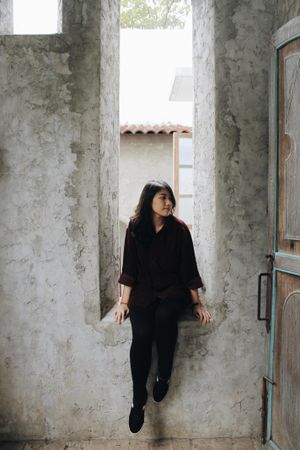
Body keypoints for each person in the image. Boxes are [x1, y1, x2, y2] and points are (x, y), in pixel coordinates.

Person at [114, 180, 212, 433]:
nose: (169, 203)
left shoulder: (179, 230)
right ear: (149, 201)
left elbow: (188, 268)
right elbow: (130, 269)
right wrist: (124, 302)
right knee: (143, 334)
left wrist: (197, 302)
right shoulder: (134, 227)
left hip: (172, 290)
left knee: (165, 316)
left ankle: (163, 375)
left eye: (170, 198)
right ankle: (138, 401)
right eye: (163, 197)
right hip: (144, 291)